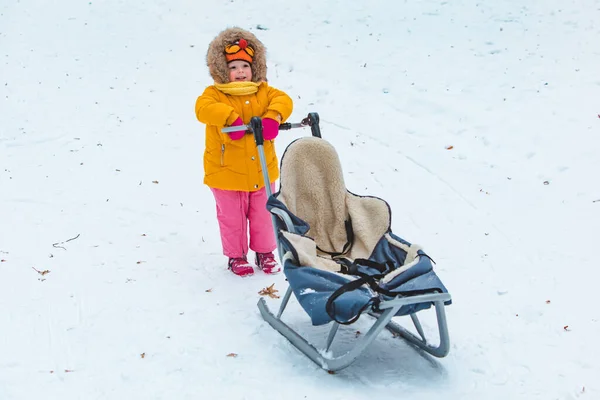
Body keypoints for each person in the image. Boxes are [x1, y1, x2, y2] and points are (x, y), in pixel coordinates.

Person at [195, 27, 293, 277]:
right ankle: (236, 256)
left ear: (255, 67)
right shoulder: (214, 94)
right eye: (233, 67)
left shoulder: (264, 91)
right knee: (232, 218)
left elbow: (283, 100)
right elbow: (203, 109)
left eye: (245, 66)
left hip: (261, 169)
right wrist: (229, 118)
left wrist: (273, 116)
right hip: (226, 172)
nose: (240, 72)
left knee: (263, 215)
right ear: (222, 70)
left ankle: (265, 252)